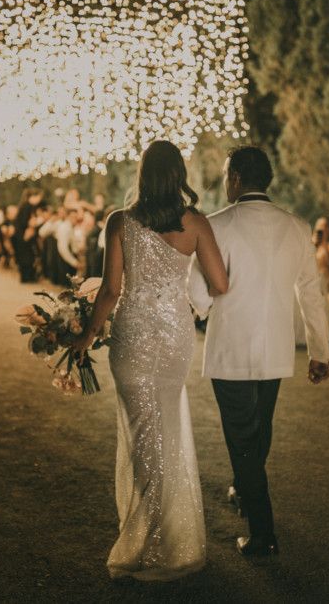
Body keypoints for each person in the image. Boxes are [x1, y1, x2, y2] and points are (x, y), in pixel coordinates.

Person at [72, 140, 228, 581]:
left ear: (142, 175)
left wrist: (87, 334)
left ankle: (148, 539)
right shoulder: (194, 223)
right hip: (174, 335)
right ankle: (160, 536)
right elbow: (220, 282)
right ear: (178, 176)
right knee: (165, 429)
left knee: (143, 435)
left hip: (134, 335)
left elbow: (111, 290)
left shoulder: (120, 221)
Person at [188, 146, 329, 557]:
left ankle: (263, 532)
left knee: (242, 439)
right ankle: (244, 488)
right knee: (258, 428)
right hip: (275, 348)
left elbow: (199, 288)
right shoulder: (297, 226)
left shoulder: (217, 224)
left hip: (232, 346)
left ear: (234, 178)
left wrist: (202, 306)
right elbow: (310, 292)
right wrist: (320, 350)